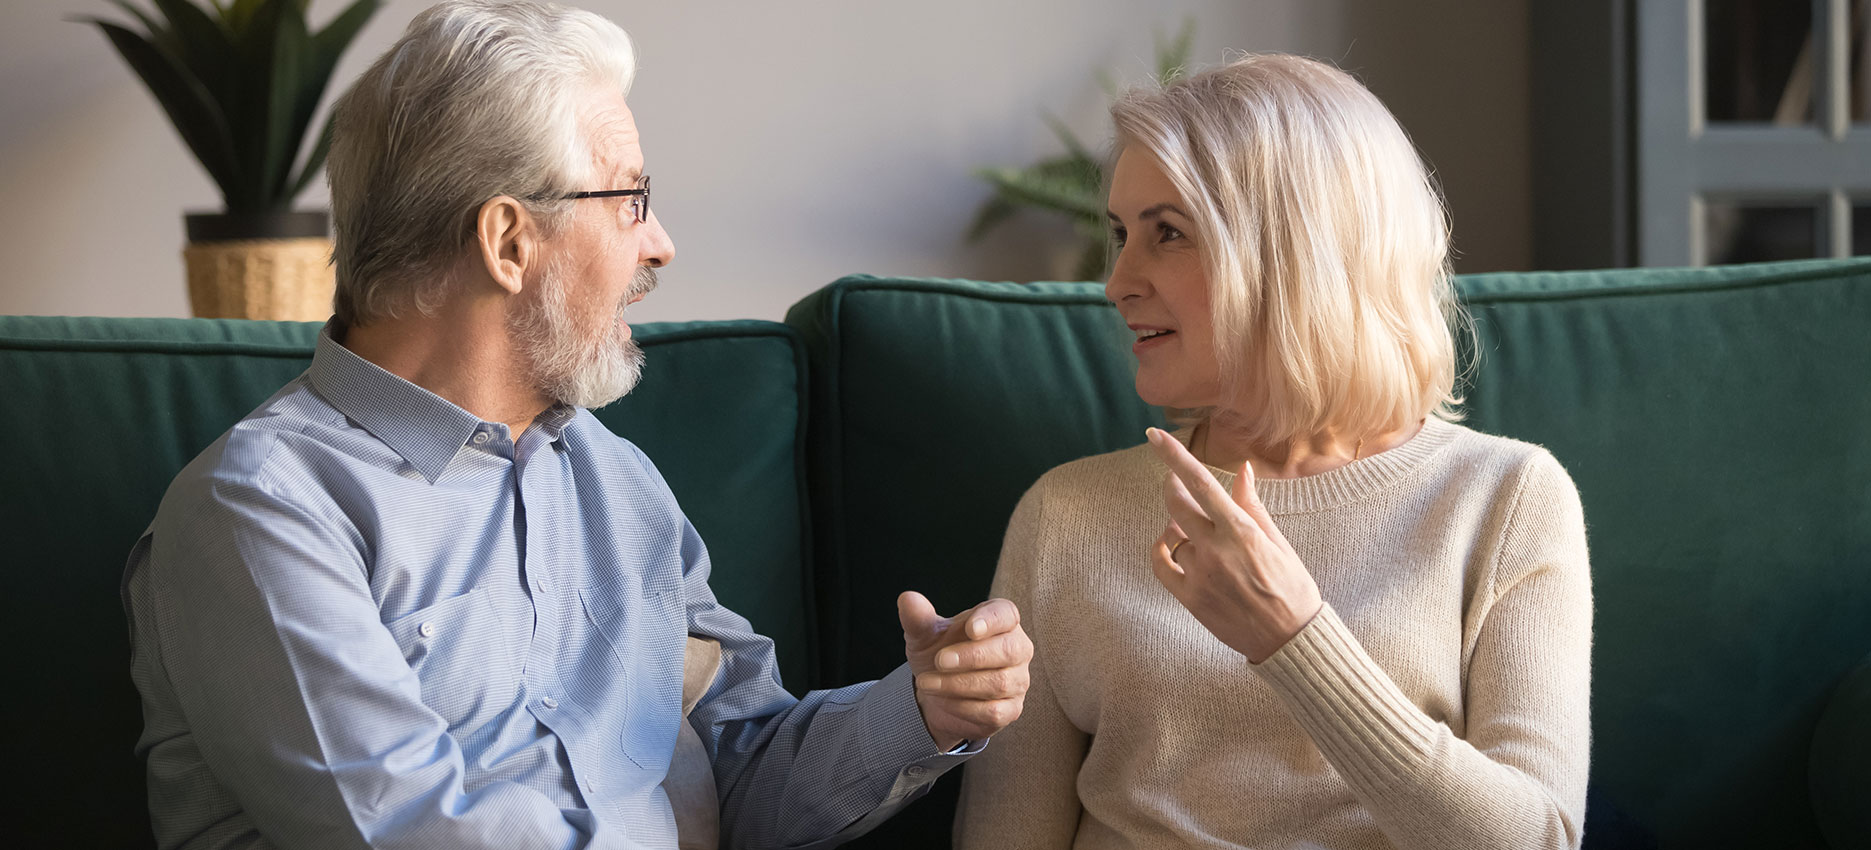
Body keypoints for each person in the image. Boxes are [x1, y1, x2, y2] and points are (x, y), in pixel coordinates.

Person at [121, 3, 1032, 848]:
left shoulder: (615, 482)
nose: (658, 242)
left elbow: (741, 770)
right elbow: (407, 830)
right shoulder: (263, 510)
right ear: (509, 242)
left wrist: (922, 710)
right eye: (628, 198)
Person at [955, 54, 1591, 850]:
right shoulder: (1065, 513)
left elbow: (1536, 839)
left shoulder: (1505, 498)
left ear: (1297, 254)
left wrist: (1293, 638)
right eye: (1120, 235)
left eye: (1168, 234)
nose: (1116, 282)